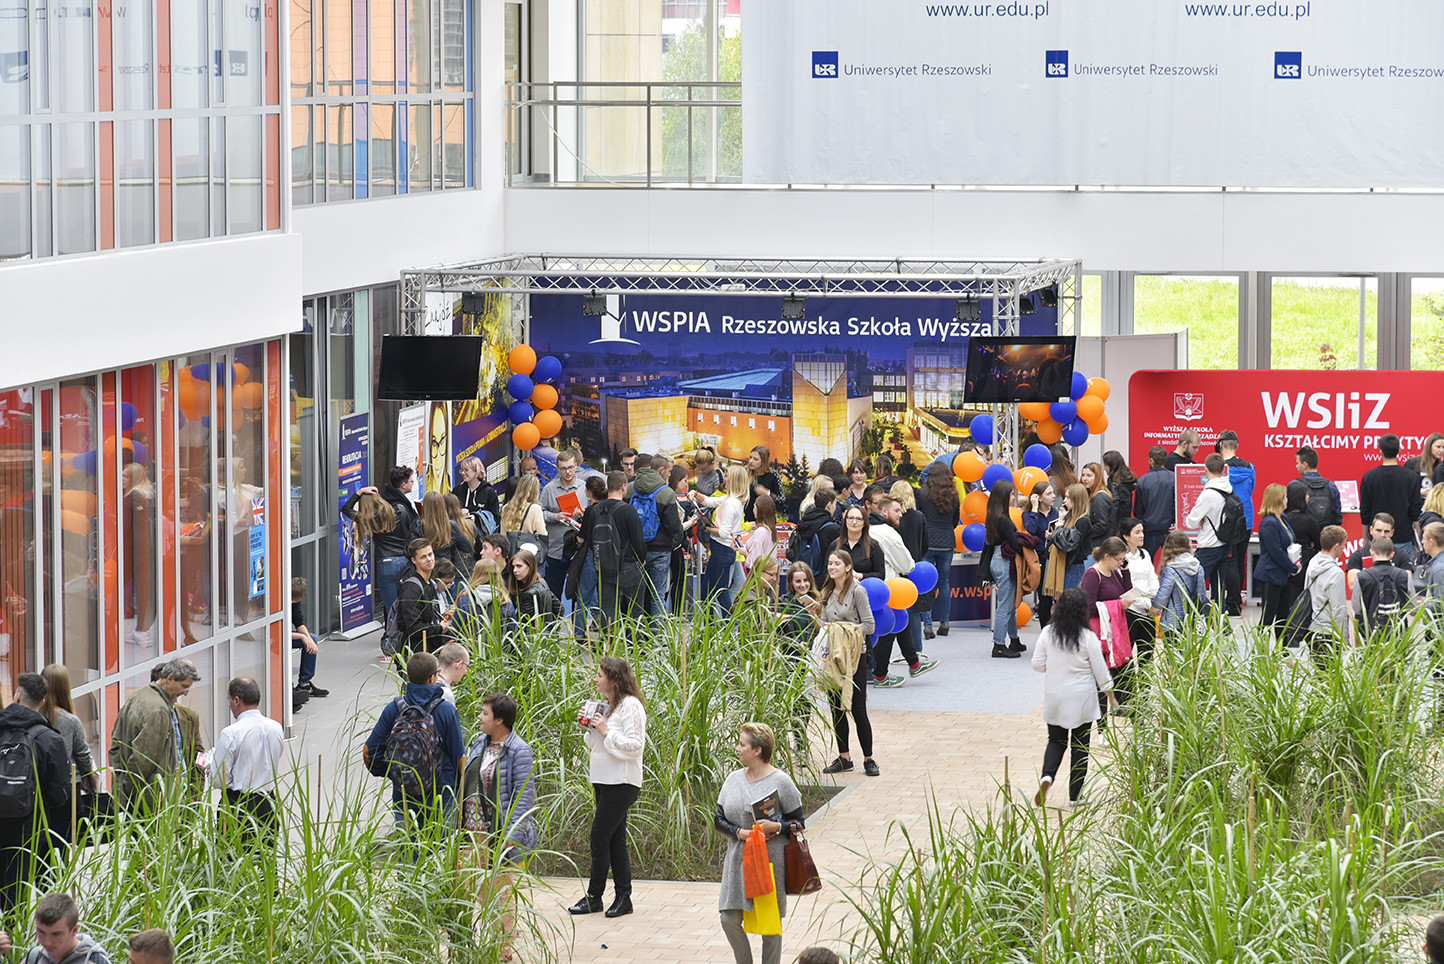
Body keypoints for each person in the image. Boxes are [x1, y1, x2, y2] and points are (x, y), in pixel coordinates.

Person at [714, 723, 806, 964]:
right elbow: (718, 820)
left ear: (757, 750)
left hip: (769, 863)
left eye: (742, 744)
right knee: (728, 919)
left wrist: (776, 827)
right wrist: (739, 832)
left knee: (770, 927)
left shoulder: (781, 781)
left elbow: (799, 823)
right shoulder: (733, 779)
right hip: (737, 861)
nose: (737, 748)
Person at [569, 656, 647, 919]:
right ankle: (623, 897)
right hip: (603, 780)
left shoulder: (630, 705)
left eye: (600, 675)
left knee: (599, 836)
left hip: (621, 782)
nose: (596, 679)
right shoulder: (608, 706)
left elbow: (635, 746)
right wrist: (590, 727)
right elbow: (597, 746)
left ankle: (595, 896)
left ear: (613, 679)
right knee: (615, 839)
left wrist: (605, 731)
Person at [462, 693, 538, 960]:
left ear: (500, 720)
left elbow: (524, 797)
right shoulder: (479, 742)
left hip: (499, 834)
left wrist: (511, 836)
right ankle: (479, 944)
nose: (480, 717)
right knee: (476, 888)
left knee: (501, 892)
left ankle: (503, 948)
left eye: (485, 714)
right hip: (473, 831)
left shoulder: (519, 750)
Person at [1031, 588, 1117, 808]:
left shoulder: (1047, 633)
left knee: (1056, 741)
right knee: (1080, 745)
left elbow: (1037, 664)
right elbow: (1101, 672)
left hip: (1055, 695)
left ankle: (1047, 776)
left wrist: (1055, 669)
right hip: (1082, 697)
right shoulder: (1088, 637)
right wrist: (1111, 696)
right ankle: (1075, 796)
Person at [364, 651, 466, 833]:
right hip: (441, 792)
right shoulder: (446, 710)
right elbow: (460, 758)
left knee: (409, 845)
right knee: (441, 846)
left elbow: (368, 751)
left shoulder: (394, 709)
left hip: (404, 791)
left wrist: (394, 772)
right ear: (433, 678)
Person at [0, 676, 69, 913]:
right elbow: (59, 794)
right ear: (42, 702)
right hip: (27, 829)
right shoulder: (50, 738)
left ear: (17, 696)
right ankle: (11, 934)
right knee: (15, 896)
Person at [110, 658, 201, 814]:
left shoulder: (137, 697)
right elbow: (144, 760)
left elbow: (116, 745)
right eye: (184, 686)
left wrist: (121, 788)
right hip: (151, 803)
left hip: (137, 797)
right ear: (170, 678)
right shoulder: (159, 709)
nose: (186, 692)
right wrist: (129, 789)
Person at [817, 550, 879, 777]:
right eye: (830, 563)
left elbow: (869, 626)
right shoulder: (826, 592)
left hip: (855, 655)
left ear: (848, 567)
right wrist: (817, 619)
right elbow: (823, 623)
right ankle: (844, 757)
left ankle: (869, 759)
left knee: (858, 709)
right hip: (833, 656)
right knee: (836, 708)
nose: (832, 567)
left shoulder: (858, 591)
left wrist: (842, 630)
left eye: (837, 563)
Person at [869, 496, 939, 685]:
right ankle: (881, 675)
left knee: (900, 622)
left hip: (873, 586)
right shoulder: (888, 533)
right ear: (884, 511)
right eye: (897, 510)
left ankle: (913, 663)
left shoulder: (869, 529)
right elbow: (907, 565)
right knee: (889, 627)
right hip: (888, 585)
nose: (901, 514)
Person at [209, 677, 284, 847]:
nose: (229, 705)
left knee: (232, 856)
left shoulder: (231, 733)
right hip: (268, 802)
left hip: (238, 804)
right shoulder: (276, 727)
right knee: (265, 855)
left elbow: (219, 779)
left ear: (237, 700)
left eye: (229, 699)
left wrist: (210, 766)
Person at [347, 467, 423, 619]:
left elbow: (346, 509)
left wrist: (360, 492)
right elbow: (414, 531)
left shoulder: (368, 519)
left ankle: (392, 633)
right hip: (404, 560)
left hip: (385, 562)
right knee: (408, 605)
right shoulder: (400, 510)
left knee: (391, 609)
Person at [577, 471, 647, 628]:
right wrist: (642, 558)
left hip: (604, 566)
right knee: (635, 610)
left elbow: (590, 541)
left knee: (607, 611)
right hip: (629, 565)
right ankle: (632, 640)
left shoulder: (595, 510)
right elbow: (638, 540)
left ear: (608, 487)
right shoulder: (629, 511)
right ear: (624, 487)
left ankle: (609, 640)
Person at [1081, 536, 1135, 718]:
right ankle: (1106, 715)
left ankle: (1124, 707)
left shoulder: (1114, 572)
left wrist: (1125, 571)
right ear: (1106, 556)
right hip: (1101, 633)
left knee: (1124, 670)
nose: (1121, 562)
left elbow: (1125, 593)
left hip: (1115, 630)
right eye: (1119, 559)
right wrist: (1117, 605)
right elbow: (1088, 607)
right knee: (1104, 675)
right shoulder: (1092, 575)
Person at [632, 454, 683, 618]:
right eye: (668, 471)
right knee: (657, 595)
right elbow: (672, 526)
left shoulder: (632, 487)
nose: (670, 474)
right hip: (660, 550)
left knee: (635, 595)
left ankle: (636, 631)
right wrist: (676, 540)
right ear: (661, 470)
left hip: (635, 549)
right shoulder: (666, 493)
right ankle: (656, 633)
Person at [39, 665, 95, 811]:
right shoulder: (71, 721)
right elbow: (83, 756)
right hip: (67, 787)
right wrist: (88, 777)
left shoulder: (35, 716)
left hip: (39, 786)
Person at [696, 465, 750, 615]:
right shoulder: (731, 500)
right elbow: (710, 501)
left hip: (722, 550)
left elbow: (724, 532)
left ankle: (730, 624)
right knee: (709, 592)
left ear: (734, 480)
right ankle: (714, 624)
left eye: (727, 476)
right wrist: (696, 494)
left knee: (719, 592)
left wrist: (707, 527)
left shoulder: (731, 503)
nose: (725, 479)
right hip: (721, 550)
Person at [1184, 454, 1234, 612]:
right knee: (1219, 587)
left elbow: (1191, 521)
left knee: (1193, 585)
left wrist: (1201, 519)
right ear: (1223, 469)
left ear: (1205, 469)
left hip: (1208, 546)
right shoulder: (1229, 489)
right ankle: (1220, 622)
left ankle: (1195, 616)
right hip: (1225, 543)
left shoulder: (1208, 494)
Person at [979, 481, 1024, 660]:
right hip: (1004, 561)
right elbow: (1015, 543)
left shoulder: (993, 515)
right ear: (1004, 497)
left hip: (997, 559)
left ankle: (1013, 639)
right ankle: (998, 644)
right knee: (1005, 605)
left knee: (1009, 603)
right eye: (1011, 494)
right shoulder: (1003, 519)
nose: (1013, 498)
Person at [1361, 433, 1424, 550]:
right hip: (1403, 536)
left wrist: (1365, 537)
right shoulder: (1411, 477)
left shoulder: (1369, 477)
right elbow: (1415, 510)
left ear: (1380, 451)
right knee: (1403, 563)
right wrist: (1420, 537)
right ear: (1399, 451)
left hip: (1376, 537)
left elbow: (1365, 510)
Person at [1252, 483, 1299, 641]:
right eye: (1284, 497)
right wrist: (1292, 567)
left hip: (1283, 574)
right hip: (1270, 574)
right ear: (1277, 500)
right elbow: (1275, 551)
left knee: (1283, 616)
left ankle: (1282, 649)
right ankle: (1261, 649)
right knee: (1268, 616)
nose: (1287, 500)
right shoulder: (1269, 523)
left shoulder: (1283, 518)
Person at [1216, 430, 1256, 614]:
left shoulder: (1219, 469)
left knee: (1230, 561)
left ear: (1221, 445)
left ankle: (1231, 602)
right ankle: (1236, 601)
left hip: (1227, 518)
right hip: (1246, 516)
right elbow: (1251, 489)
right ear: (1237, 445)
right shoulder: (1250, 467)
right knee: (1240, 560)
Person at [918, 468, 960, 639]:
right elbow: (955, 521)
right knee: (944, 583)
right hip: (947, 542)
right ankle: (945, 623)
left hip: (927, 542)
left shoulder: (922, 494)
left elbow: (918, 517)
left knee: (926, 583)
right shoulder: (954, 495)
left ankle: (928, 625)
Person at [540, 449, 589, 597]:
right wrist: (555, 516)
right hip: (556, 548)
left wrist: (583, 516)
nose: (567, 472)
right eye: (563, 469)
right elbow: (540, 513)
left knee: (578, 595)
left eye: (570, 467)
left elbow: (593, 515)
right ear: (557, 469)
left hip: (577, 549)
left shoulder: (584, 487)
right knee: (553, 593)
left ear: (576, 466)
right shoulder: (549, 489)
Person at [890, 481, 930, 654]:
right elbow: (926, 543)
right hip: (914, 568)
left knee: (894, 608)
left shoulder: (891, 520)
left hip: (894, 568)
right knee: (913, 610)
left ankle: (895, 650)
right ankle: (916, 649)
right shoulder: (919, 516)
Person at [19, 893, 113, 964]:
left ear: (74, 930)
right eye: (41, 932)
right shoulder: (35, 957)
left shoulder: (95, 961)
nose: (47, 942)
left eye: (56, 935)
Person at [1304, 525, 1351, 655]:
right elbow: (1338, 609)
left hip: (1311, 627)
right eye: (1343, 545)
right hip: (1327, 631)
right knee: (1330, 667)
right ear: (1336, 546)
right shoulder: (1336, 573)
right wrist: (1344, 639)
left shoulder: (1313, 562)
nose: (1344, 548)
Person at [396, 538, 449, 653]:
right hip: (415, 653)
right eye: (423, 557)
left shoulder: (431, 583)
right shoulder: (411, 588)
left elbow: (429, 617)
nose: (429, 559)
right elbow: (413, 627)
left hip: (430, 649)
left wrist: (444, 615)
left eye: (430, 554)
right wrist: (439, 628)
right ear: (414, 560)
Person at [1354, 536, 1411, 639]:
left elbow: (1357, 608)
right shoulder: (1405, 576)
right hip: (1398, 635)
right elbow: (1412, 606)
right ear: (1392, 554)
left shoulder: (1361, 577)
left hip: (1370, 634)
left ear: (1371, 552)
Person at [1152, 531, 1206, 635]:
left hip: (1173, 620)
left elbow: (1163, 595)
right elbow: (1202, 595)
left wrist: (1154, 608)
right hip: (1192, 619)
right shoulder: (1198, 567)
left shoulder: (1170, 570)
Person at [1119, 517, 1158, 657]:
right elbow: (1127, 587)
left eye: (1142, 531)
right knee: (1127, 655)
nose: (1141, 535)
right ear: (1126, 536)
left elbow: (1152, 579)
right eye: (1137, 532)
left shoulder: (1145, 554)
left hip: (1148, 612)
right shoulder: (1121, 558)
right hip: (1130, 610)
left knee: (1147, 655)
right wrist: (1149, 604)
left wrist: (1156, 601)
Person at [1023, 480, 1058, 627]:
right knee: (1044, 600)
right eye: (1049, 493)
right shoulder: (1029, 514)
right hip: (1040, 559)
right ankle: (1045, 632)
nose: (1053, 496)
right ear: (1039, 497)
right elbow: (1031, 530)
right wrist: (1035, 508)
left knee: (1059, 598)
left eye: (1053, 492)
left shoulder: (1057, 512)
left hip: (1056, 558)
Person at [451, 558, 515, 639]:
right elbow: (513, 633)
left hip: (470, 646)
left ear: (476, 574)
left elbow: (455, 633)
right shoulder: (505, 601)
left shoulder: (465, 600)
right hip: (500, 647)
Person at [289, 577, 328, 707]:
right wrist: (302, 637)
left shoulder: (294, 602)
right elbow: (278, 633)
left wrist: (308, 639)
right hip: (271, 638)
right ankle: (288, 688)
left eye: (296, 601)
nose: (293, 602)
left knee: (313, 638)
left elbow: (299, 623)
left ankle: (304, 683)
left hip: (284, 635)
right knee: (303, 639)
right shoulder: (279, 602)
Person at [1047, 483, 1092, 595]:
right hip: (1065, 565)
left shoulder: (1082, 520)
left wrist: (1058, 529)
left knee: (1068, 600)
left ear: (1076, 499)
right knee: (1061, 600)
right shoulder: (1070, 518)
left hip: (1074, 566)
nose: (1064, 501)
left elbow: (1067, 545)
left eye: (1068, 497)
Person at [1133, 445, 1175, 560]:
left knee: (1146, 562)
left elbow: (1138, 510)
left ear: (1151, 460)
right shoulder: (1174, 478)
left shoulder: (1142, 481)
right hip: (1170, 529)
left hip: (1149, 530)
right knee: (1173, 563)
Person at [1284, 483, 1323, 604]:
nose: (1308, 497)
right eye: (1306, 495)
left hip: (1285, 562)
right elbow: (1319, 543)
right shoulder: (1309, 520)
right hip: (1304, 562)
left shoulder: (1283, 518)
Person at [1286, 446, 1343, 527]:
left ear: (1305, 465)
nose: (1296, 466)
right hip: (1326, 532)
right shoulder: (1331, 486)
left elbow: (1288, 514)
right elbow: (1338, 517)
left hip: (1301, 533)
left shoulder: (1294, 486)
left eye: (1298, 463)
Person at [1346, 513, 1416, 574]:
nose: (1382, 534)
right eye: (1378, 530)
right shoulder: (1358, 556)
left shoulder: (1402, 556)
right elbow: (1352, 582)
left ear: (1392, 533)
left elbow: (1407, 580)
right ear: (1371, 530)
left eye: (1386, 531)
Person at [422, 490, 472, 575]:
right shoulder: (451, 525)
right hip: (445, 570)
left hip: (426, 570)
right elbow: (467, 547)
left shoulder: (419, 525)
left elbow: (410, 550)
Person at [509, 549, 562, 625]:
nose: (514, 570)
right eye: (513, 567)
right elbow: (560, 609)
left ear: (530, 567)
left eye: (519, 566)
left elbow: (524, 624)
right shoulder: (542, 582)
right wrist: (551, 628)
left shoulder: (528, 594)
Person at [453, 455, 502, 535]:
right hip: (460, 534)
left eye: (466, 470)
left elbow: (494, 518)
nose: (463, 473)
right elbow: (449, 512)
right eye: (462, 470)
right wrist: (459, 512)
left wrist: (477, 518)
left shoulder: (489, 492)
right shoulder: (457, 490)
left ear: (476, 471)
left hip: (481, 536)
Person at [744, 446, 786, 523]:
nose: (751, 461)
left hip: (766, 520)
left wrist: (767, 493)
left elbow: (782, 499)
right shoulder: (745, 471)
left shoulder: (773, 475)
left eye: (755, 459)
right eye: (750, 458)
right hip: (747, 519)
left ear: (763, 461)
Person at [1102, 450, 1137, 534]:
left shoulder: (1115, 484)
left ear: (1112, 465)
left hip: (1116, 527)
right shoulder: (1127, 482)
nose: (1104, 468)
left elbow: (1115, 506)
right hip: (1125, 524)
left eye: (1106, 465)